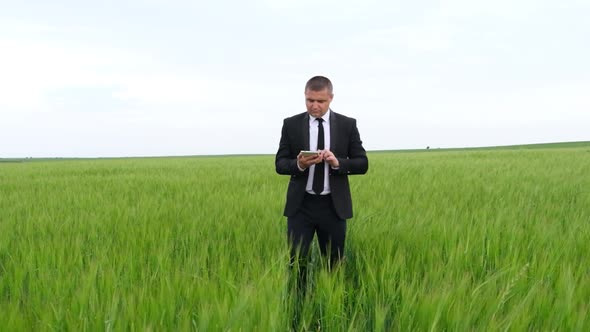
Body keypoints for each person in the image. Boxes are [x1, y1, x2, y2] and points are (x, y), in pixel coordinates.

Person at [275, 75, 369, 292]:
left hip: (333, 207)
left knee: (334, 265)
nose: (314, 106)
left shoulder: (347, 125)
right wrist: (299, 164)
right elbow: (280, 164)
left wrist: (338, 162)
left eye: (320, 101)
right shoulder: (290, 125)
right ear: (305, 97)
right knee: (296, 265)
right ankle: (298, 308)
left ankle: (331, 307)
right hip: (301, 207)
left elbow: (362, 163)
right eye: (310, 100)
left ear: (331, 98)